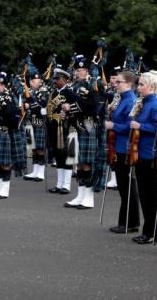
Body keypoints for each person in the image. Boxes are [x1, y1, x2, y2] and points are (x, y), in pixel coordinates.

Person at [63, 56, 105, 210]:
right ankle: (80, 195)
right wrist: (66, 112)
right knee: (79, 162)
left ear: (87, 70)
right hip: (75, 127)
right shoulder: (74, 86)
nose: (79, 72)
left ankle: (89, 197)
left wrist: (72, 107)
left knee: (87, 162)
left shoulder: (94, 84)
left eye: (82, 70)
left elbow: (95, 106)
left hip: (88, 126)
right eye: (77, 70)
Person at [130, 71, 157, 243]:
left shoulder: (156, 104)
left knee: (151, 195)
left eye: (142, 84)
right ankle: (147, 230)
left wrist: (139, 125)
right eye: (139, 84)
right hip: (140, 152)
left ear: (151, 87)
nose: (139, 87)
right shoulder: (142, 103)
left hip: (149, 153)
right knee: (144, 194)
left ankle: (153, 232)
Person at [107, 69, 139, 233]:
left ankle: (130, 222)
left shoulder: (131, 100)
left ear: (128, 84)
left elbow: (130, 125)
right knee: (123, 186)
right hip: (117, 145)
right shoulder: (121, 99)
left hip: (124, 147)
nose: (115, 84)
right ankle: (126, 221)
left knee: (127, 186)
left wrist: (114, 126)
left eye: (119, 82)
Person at [46, 66, 75, 195]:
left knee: (65, 156)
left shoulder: (69, 93)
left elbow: (76, 110)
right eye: (55, 79)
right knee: (58, 156)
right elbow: (49, 109)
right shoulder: (53, 93)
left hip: (65, 128)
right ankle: (59, 184)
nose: (55, 81)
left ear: (64, 80)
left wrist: (67, 114)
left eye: (57, 79)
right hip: (53, 127)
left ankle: (66, 185)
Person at [23, 69, 50, 182]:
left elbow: (43, 106)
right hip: (31, 123)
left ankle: (41, 172)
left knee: (40, 148)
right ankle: (35, 170)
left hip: (40, 123)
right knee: (34, 148)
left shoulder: (44, 92)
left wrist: (30, 105)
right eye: (33, 81)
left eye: (36, 81)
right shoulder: (30, 92)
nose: (33, 83)